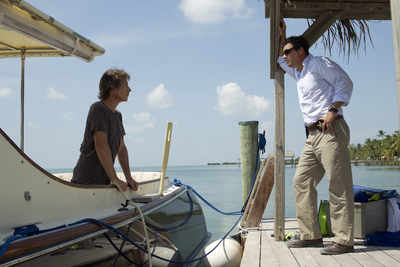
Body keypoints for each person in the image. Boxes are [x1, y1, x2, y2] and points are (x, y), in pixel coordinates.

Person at [278, 18, 354, 255]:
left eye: (289, 51)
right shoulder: (299, 73)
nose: (286, 56)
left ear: (301, 51)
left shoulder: (320, 63)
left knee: (338, 185)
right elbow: (280, 61)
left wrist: (332, 111)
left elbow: (345, 83)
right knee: (301, 182)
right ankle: (311, 236)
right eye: (285, 52)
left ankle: (344, 240)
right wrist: (284, 35)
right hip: (311, 137)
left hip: (330, 130)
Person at [71, 68, 139, 192]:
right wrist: (115, 179)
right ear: (113, 88)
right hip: (86, 183)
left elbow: (121, 148)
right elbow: (101, 145)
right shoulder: (98, 109)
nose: (129, 90)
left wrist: (128, 178)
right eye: (126, 85)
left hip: (103, 183)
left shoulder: (118, 116)